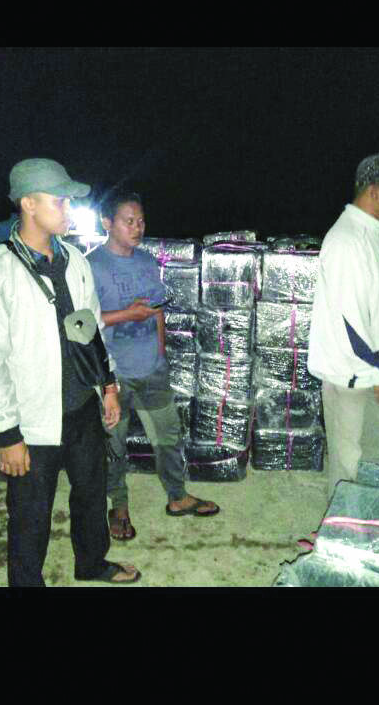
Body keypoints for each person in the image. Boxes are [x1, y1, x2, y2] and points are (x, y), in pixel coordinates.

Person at [0, 158, 141, 586]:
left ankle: (92, 564)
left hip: (82, 407)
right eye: (59, 200)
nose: (68, 209)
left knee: (91, 495)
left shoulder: (75, 261)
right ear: (28, 203)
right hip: (33, 420)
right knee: (30, 515)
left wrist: (108, 385)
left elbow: (90, 329)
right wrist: (6, 434)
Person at [86, 189, 220, 541]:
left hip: (152, 368)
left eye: (141, 221)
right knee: (113, 445)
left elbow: (157, 310)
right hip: (113, 375)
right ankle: (118, 505)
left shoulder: (147, 261)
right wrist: (127, 315)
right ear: (107, 223)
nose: (138, 227)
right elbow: (83, 322)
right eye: (129, 221)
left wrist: (161, 354)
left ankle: (177, 496)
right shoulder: (91, 266)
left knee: (168, 437)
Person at [307, 153, 379, 503]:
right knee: (347, 463)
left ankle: (358, 520)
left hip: (369, 374)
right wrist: (378, 377)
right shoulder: (347, 241)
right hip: (353, 376)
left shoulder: (367, 235)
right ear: (374, 191)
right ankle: (340, 526)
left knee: (371, 455)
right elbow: (351, 323)